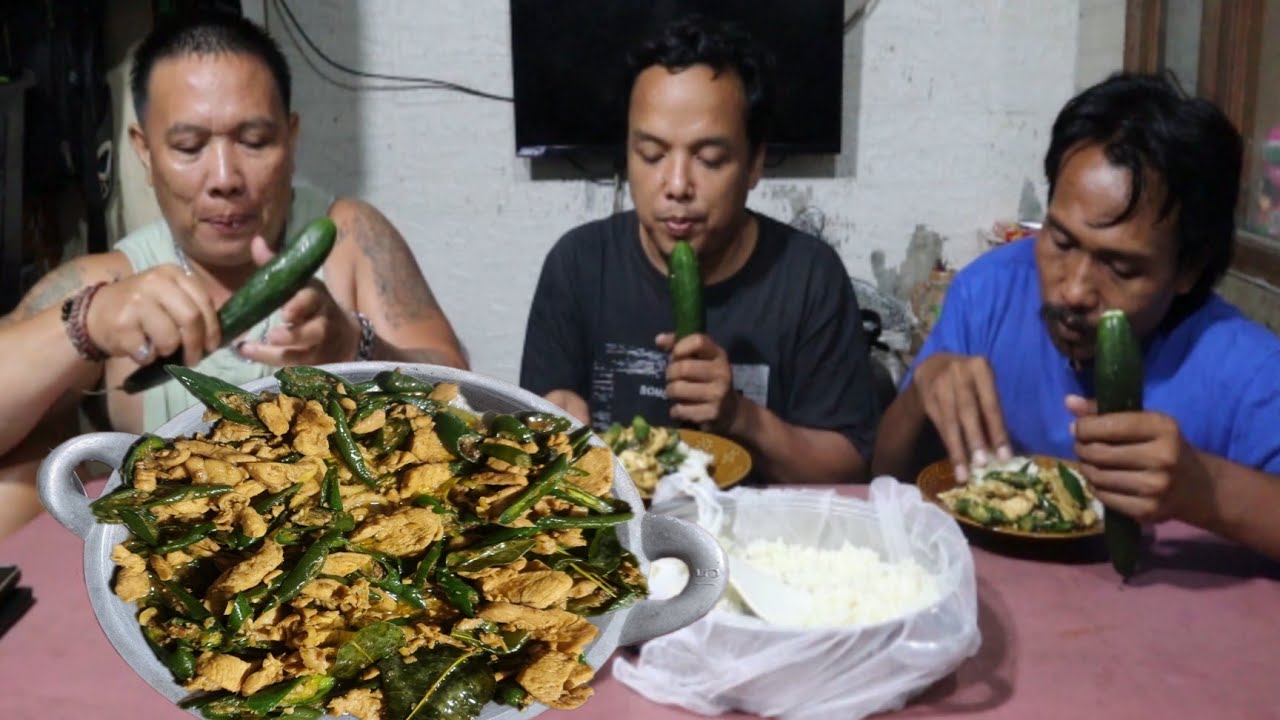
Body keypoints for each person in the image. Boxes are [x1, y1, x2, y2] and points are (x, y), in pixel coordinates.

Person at [0, 13, 467, 538]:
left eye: (254, 140)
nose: (224, 179)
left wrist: (355, 346)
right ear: (144, 151)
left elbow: (461, 398)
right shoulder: (106, 281)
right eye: (188, 147)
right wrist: (85, 323)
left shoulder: (352, 237)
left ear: (290, 138)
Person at [873, 72, 1280, 560]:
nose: (1074, 289)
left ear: (1187, 268)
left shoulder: (1250, 371)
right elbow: (883, 480)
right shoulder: (989, 294)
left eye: (1120, 266)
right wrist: (920, 392)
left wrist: (1209, 489)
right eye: (1061, 242)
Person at [520, 16, 878, 485]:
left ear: (754, 165)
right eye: (650, 155)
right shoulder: (578, 264)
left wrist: (741, 418)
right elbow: (531, 443)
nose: (676, 186)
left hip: (759, 541)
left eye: (709, 159)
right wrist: (553, 426)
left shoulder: (809, 275)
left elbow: (849, 466)